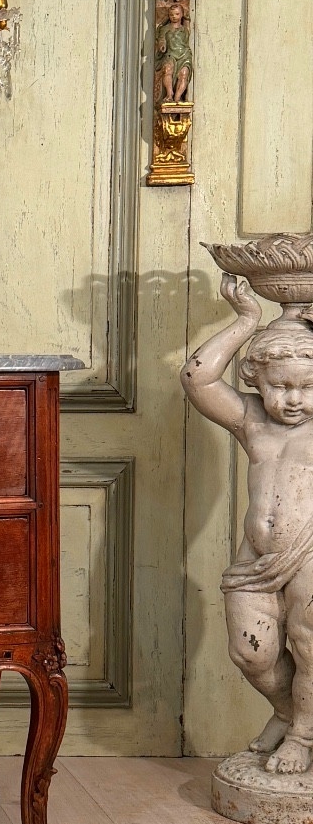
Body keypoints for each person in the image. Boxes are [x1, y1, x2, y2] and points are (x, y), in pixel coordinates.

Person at [181, 275, 313, 774]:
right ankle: (286, 711)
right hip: (255, 559)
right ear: (257, 380)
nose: (293, 399)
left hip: (309, 553)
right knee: (250, 653)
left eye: (306, 387)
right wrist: (247, 321)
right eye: (280, 386)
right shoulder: (252, 419)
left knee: (309, 645)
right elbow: (197, 379)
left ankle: (302, 735)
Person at [155, 3, 192, 104]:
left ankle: (178, 97)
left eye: (177, 14)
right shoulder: (165, 29)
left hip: (184, 55)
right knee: (167, 69)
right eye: (171, 15)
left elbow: (188, 19)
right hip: (170, 54)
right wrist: (162, 45)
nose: (174, 17)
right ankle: (169, 94)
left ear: (181, 15)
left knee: (184, 74)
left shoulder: (185, 29)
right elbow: (161, 39)